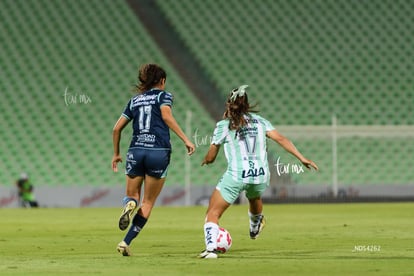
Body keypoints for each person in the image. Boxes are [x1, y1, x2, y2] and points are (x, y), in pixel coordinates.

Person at [199, 85, 319, 259]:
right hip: (261, 174)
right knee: (254, 196)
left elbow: (211, 158)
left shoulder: (224, 125)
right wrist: (302, 158)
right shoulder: (260, 121)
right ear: (246, 104)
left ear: (229, 105)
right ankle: (255, 224)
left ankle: (210, 250)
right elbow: (281, 139)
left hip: (237, 175)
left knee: (213, 213)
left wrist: (206, 159)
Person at [112, 63, 195, 256]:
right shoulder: (163, 96)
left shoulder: (135, 100)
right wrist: (186, 139)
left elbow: (116, 129)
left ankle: (129, 204)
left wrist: (116, 154)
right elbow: (166, 116)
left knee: (132, 195)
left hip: (136, 150)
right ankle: (125, 242)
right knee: (148, 202)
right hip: (158, 151)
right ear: (162, 81)